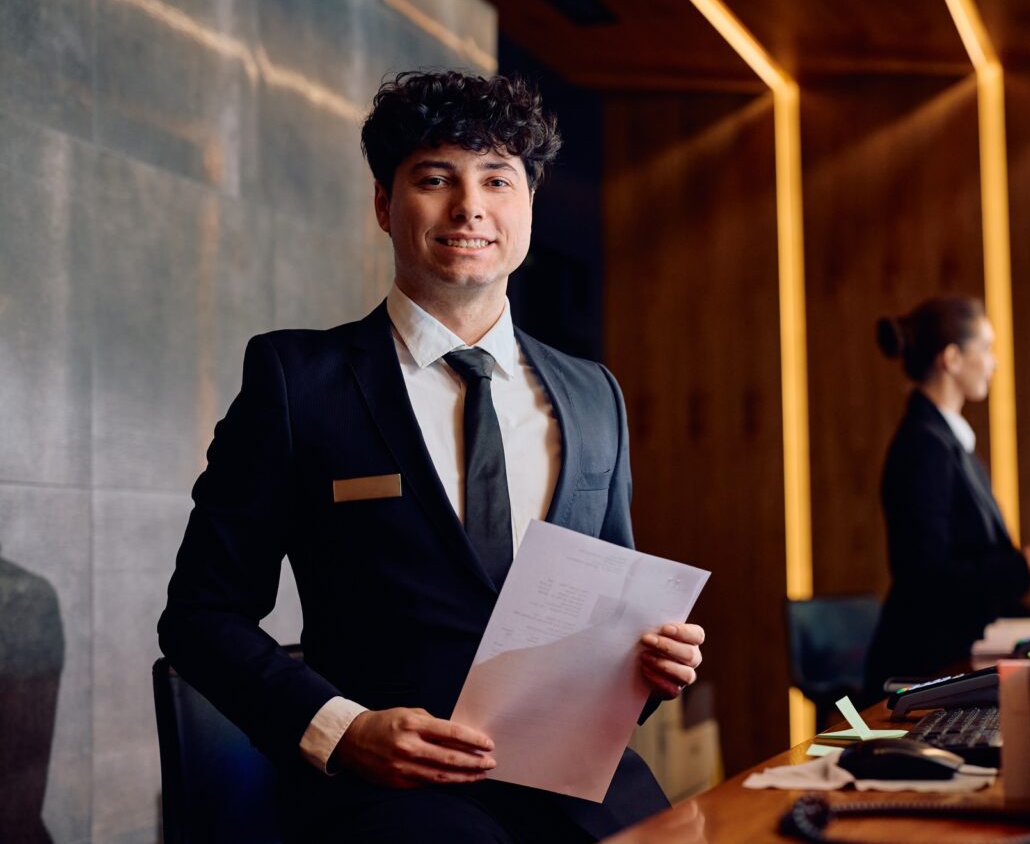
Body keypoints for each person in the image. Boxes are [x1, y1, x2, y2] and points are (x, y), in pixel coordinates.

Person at [158, 70, 704, 843]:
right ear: (385, 204)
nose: (470, 206)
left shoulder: (593, 395)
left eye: (496, 179)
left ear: (528, 204)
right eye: (435, 178)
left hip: (580, 784)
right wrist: (342, 729)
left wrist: (646, 666)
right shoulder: (295, 382)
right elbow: (199, 616)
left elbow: (605, 615)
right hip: (389, 797)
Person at [863, 296, 1030, 695]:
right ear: (952, 358)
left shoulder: (947, 439)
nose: (994, 362)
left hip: (949, 659)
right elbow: (928, 580)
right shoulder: (924, 447)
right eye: (986, 348)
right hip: (922, 669)